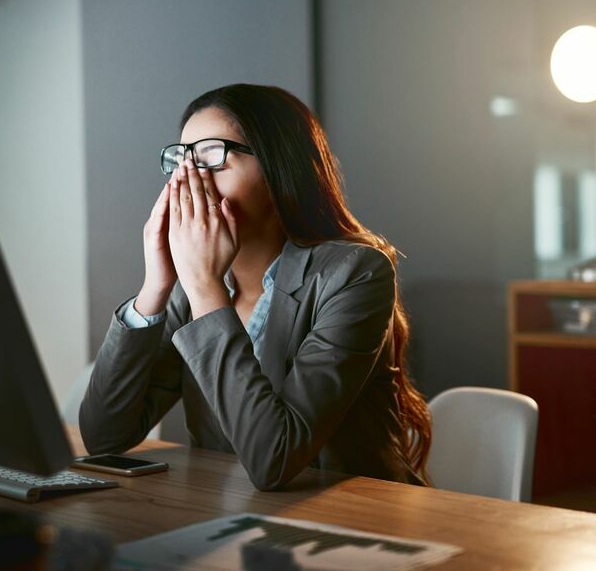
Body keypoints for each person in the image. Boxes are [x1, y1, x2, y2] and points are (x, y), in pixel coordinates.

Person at [80, 83, 430, 490]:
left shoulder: (356, 272)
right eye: (184, 161)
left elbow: (275, 461)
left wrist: (205, 287)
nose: (191, 181)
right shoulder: (191, 286)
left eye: (212, 157)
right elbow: (103, 438)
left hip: (350, 522)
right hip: (234, 517)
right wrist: (155, 288)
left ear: (279, 166)